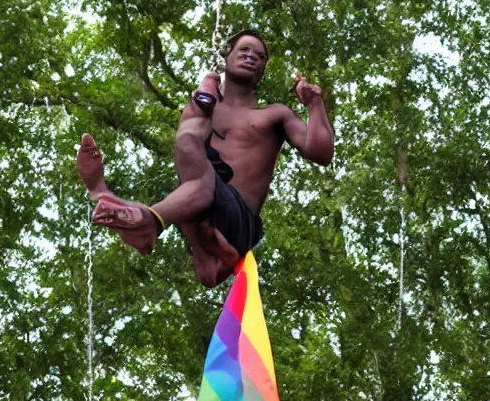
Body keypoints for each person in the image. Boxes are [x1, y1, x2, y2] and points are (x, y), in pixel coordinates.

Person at [76, 30, 335, 287]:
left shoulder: (275, 115)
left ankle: (150, 223)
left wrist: (315, 103)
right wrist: (205, 93)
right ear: (227, 56)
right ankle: (201, 252)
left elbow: (321, 153)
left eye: (260, 56)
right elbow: (187, 147)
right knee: (190, 142)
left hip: (239, 221)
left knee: (201, 174)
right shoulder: (204, 105)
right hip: (203, 210)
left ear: (262, 71)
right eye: (244, 50)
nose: (251, 57)